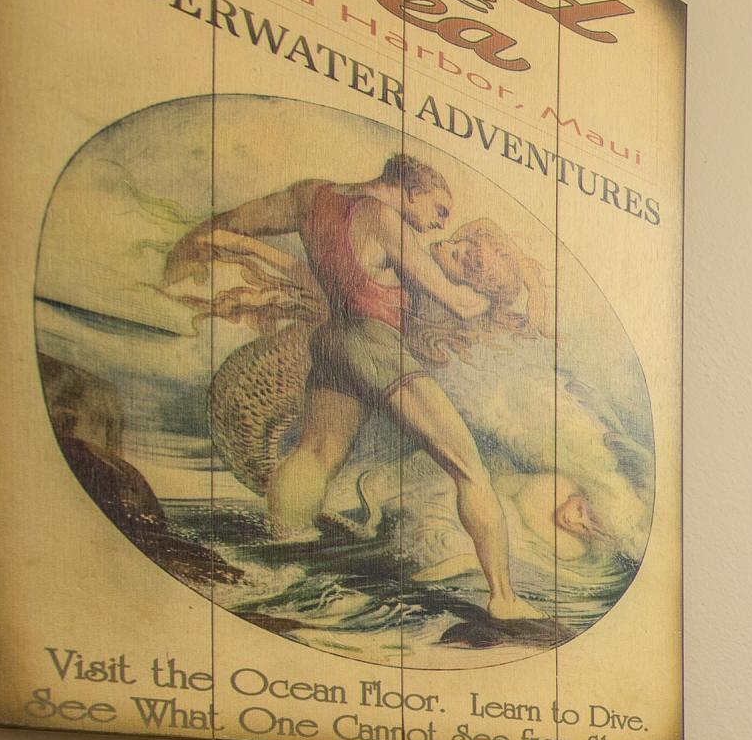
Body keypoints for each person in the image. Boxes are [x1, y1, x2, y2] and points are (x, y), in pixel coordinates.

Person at [173, 155, 539, 620]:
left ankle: (287, 547)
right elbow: (461, 305)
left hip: (334, 338)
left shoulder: (309, 194)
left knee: (317, 450)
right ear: (412, 188)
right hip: (372, 341)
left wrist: (195, 241)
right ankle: (505, 599)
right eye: (439, 210)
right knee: (470, 469)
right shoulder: (385, 220)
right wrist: (513, 286)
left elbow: (240, 221)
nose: (436, 226)